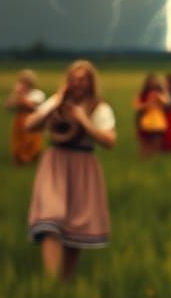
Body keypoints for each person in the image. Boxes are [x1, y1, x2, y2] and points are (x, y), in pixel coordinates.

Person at [24, 60, 116, 281]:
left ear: (91, 82)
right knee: (51, 220)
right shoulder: (57, 102)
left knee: (77, 225)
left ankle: (63, 281)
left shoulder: (99, 107)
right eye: (74, 79)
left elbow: (110, 141)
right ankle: (50, 282)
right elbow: (30, 125)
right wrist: (56, 103)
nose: (78, 84)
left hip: (83, 164)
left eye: (84, 79)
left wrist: (84, 121)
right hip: (55, 163)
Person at [6, 69, 46, 165]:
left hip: (32, 119)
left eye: (25, 82)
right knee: (18, 139)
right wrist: (15, 96)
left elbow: (31, 106)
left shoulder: (37, 93)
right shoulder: (17, 94)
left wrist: (20, 95)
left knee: (32, 140)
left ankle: (32, 158)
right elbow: (8, 106)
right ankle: (19, 159)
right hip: (19, 120)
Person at [133, 73, 169, 158]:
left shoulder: (160, 94)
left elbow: (167, 103)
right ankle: (145, 162)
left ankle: (154, 162)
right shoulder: (142, 95)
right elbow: (137, 107)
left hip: (158, 123)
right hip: (146, 123)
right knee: (145, 146)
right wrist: (148, 103)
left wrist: (159, 97)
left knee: (157, 145)